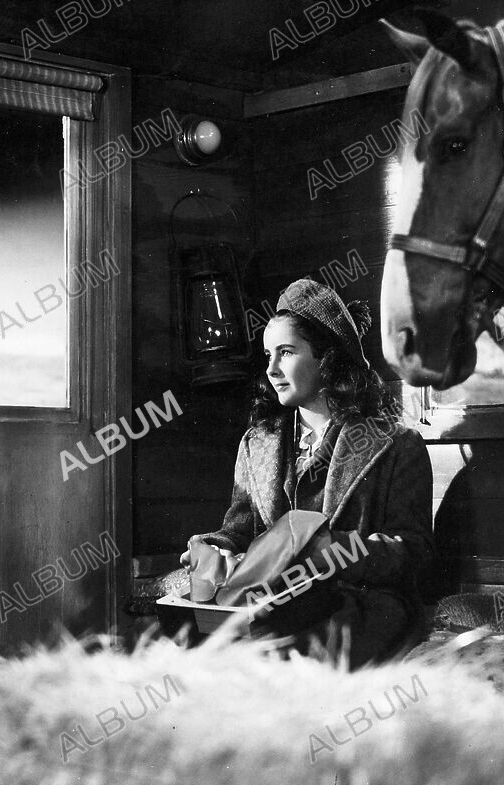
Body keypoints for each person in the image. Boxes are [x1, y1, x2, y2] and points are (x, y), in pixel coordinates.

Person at [181, 278, 434, 667]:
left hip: (358, 601)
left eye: (286, 352)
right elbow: (239, 530)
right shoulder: (256, 444)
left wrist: (332, 548)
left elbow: (413, 555)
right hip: (272, 597)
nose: (271, 369)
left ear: (327, 360)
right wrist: (216, 547)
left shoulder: (398, 446)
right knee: (195, 636)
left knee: (285, 648)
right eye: (268, 354)